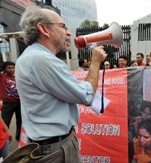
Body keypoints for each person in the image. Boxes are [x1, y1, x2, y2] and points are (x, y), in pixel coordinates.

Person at [15, 5, 107, 162]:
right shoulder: (41, 59)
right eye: (63, 26)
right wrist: (95, 62)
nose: (69, 32)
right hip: (56, 149)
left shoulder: (31, 56)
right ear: (44, 29)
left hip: (49, 145)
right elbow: (86, 95)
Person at [0, 61, 22, 141]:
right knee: (5, 122)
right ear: (4, 69)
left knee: (20, 121)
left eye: (13, 67)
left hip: (19, 103)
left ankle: (19, 137)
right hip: (7, 104)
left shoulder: (18, 77)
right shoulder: (2, 77)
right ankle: (3, 138)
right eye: (9, 68)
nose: (11, 69)